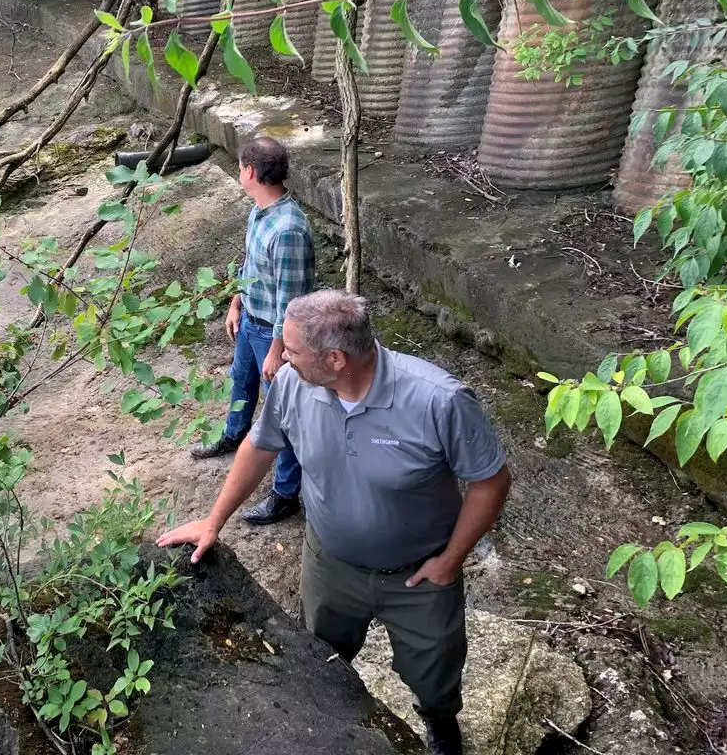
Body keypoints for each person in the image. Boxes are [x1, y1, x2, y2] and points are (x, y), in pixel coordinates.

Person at [160, 290, 513, 755]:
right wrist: (213, 520)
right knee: (320, 657)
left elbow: (491, 480)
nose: (282, 357)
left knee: (434, 673)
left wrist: (451, 561)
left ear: (336, 358)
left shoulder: (438, 400)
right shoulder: (293, 383)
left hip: (419, 576)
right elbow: (260, 446)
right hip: (330, 565)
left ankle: (441, 724)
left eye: (292, 350)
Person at [190, 135, 314, 527]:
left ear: (251, 172)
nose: (239, 171)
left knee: (285, 413)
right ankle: (234, 433)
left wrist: (278, 350)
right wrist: (236, 302)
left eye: (241, 165)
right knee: (240, 380)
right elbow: (250, 264)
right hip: (250, 322)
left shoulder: (288, 230)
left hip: (273, 333)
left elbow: (291, 302)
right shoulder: (259, 212)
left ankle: (285, 493)